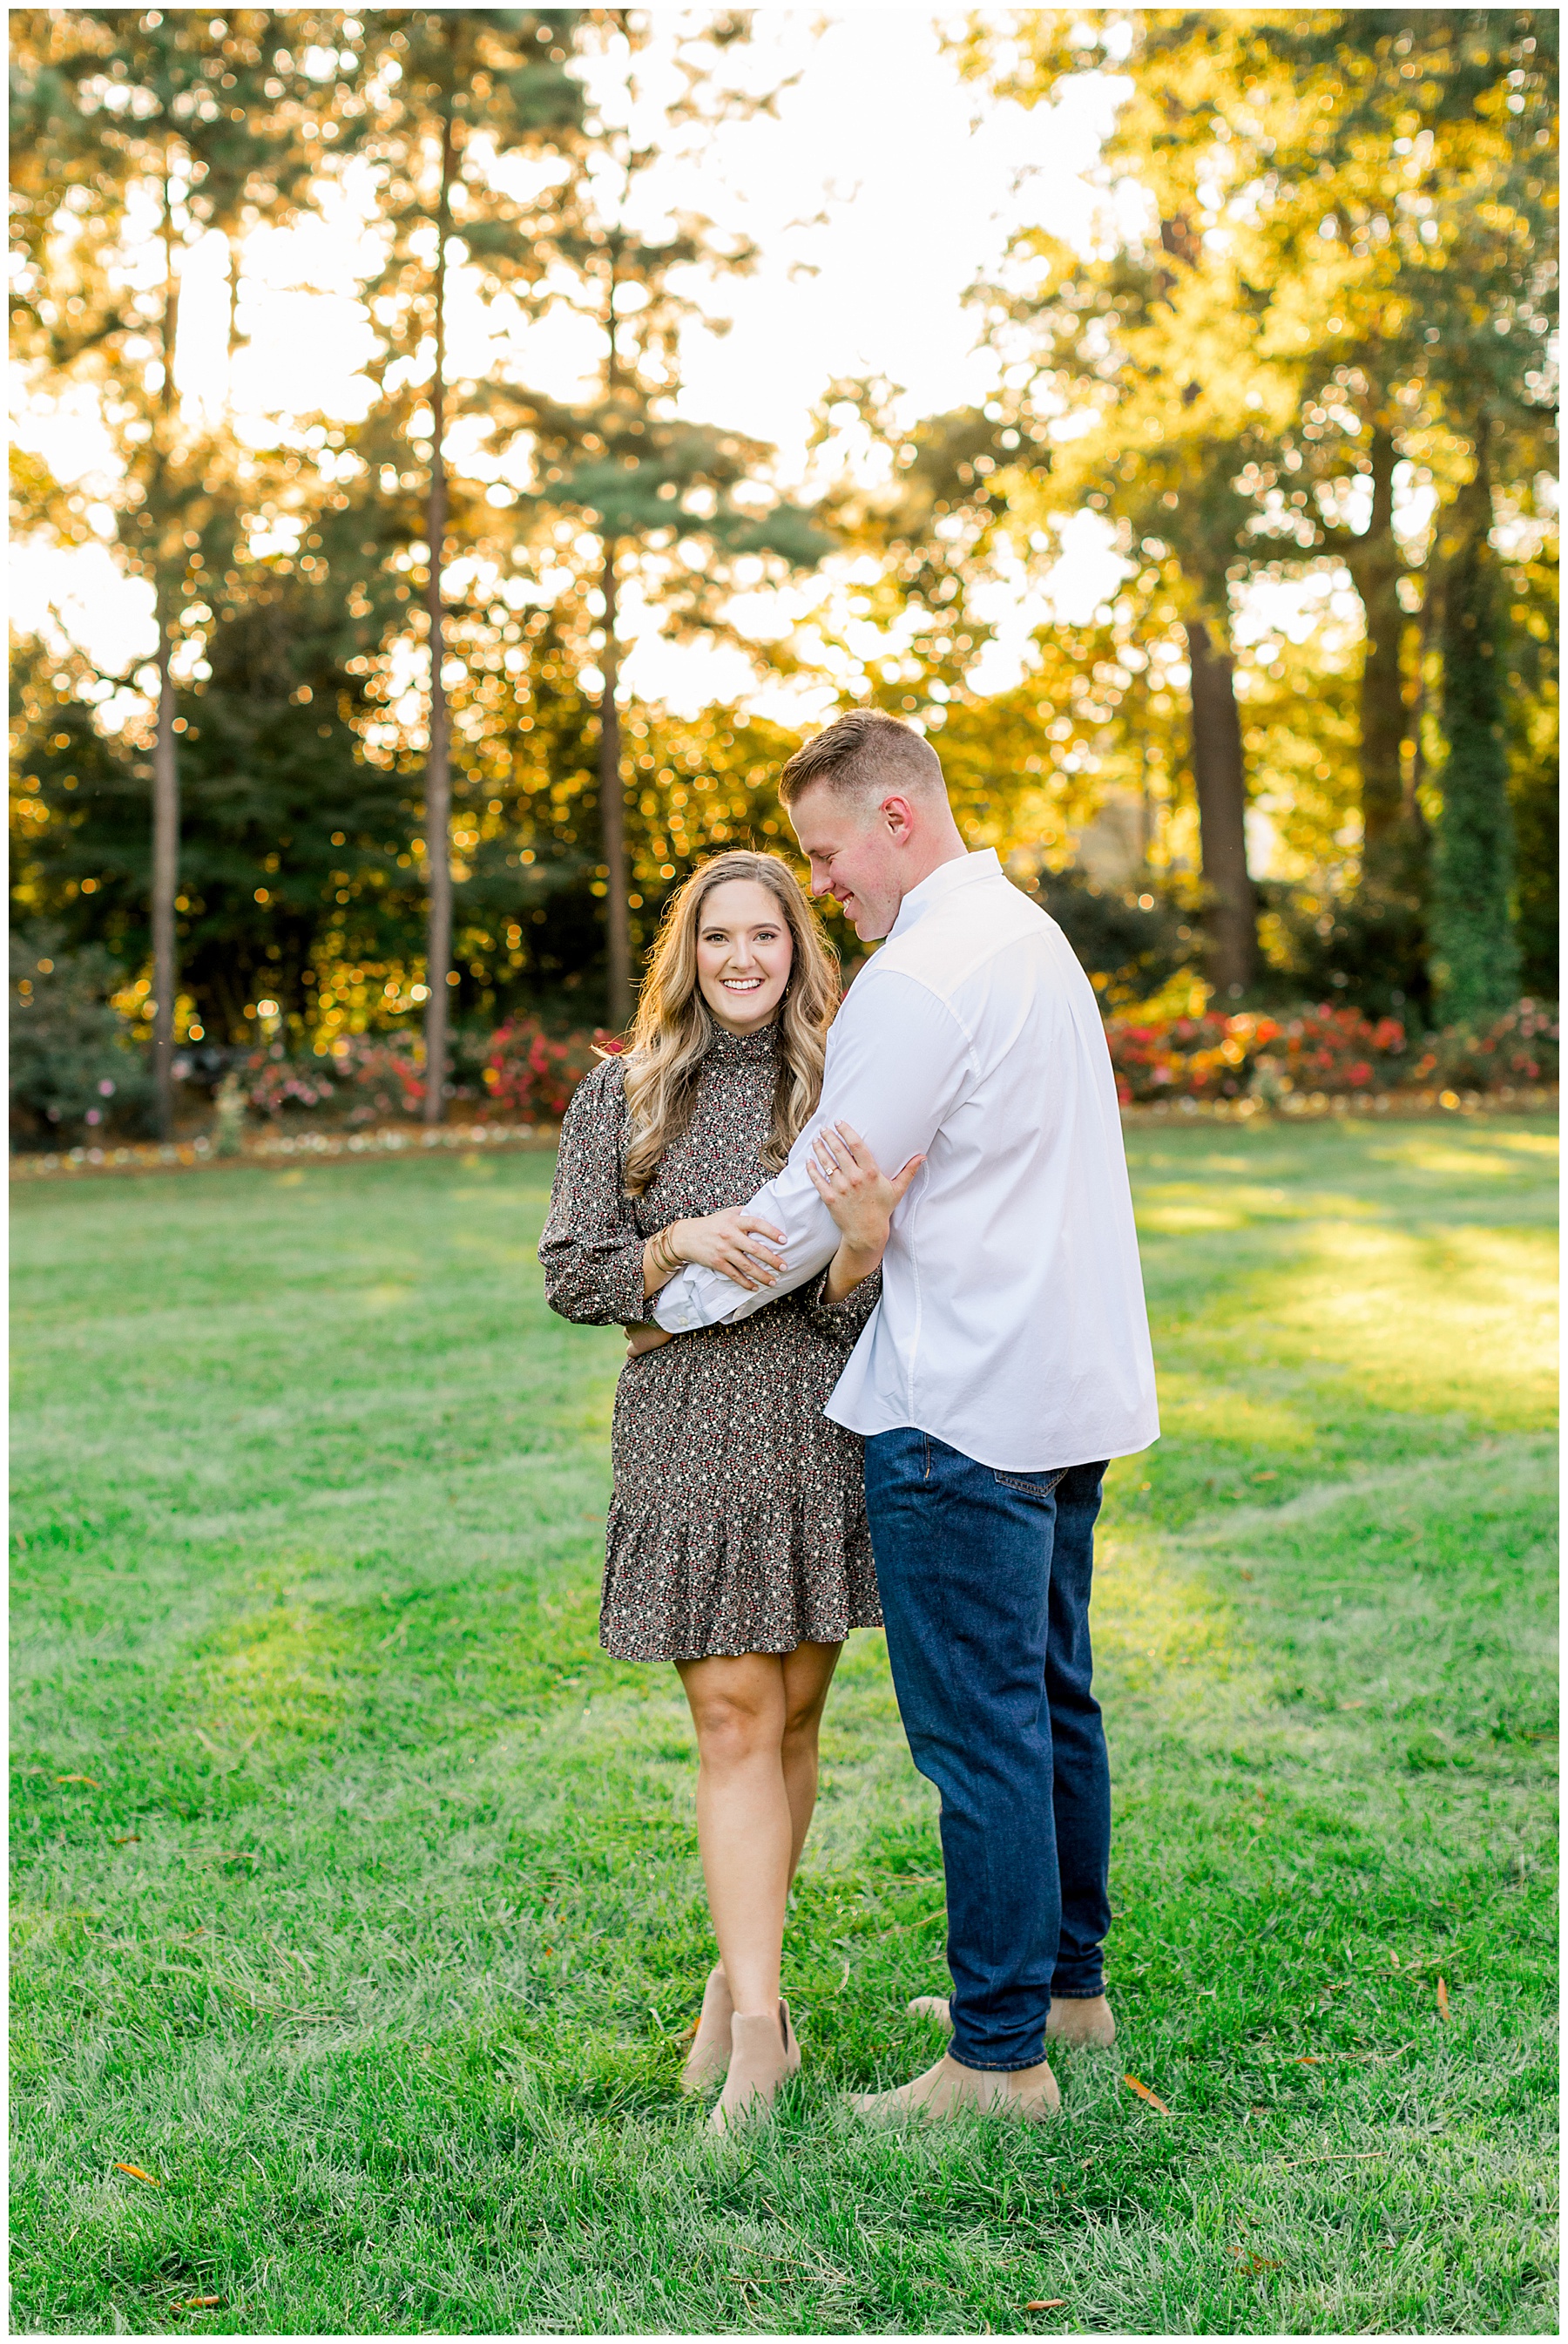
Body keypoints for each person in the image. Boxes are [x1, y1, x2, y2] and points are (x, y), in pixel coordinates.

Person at [651, 708, 1159, 2124]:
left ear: (893, 820)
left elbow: (809, 1209)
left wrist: (664, 1295)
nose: (821, 888)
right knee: (1051, 1694)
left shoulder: (923, 975)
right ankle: (1066, 1986)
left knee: (979, 1728)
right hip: (1064, 1387)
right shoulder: (1029, 938)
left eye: (825, 854)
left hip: (963, 1399)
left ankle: (997, 2062)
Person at [537, 849, 917, 2132]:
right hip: (685, 1439)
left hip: (815, 1432)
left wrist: (861, 1248)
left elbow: (850, 1311)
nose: (744, 958)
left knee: (797, 1719)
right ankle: (764, 2031)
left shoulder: (837, 1092)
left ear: (799, 950)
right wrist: (671, 1245)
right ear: (687, 955)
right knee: (733, 1723)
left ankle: (731, 1978)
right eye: (719, 938)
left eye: (767, 934)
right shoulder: (624, 1093)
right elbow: (569, 1272)